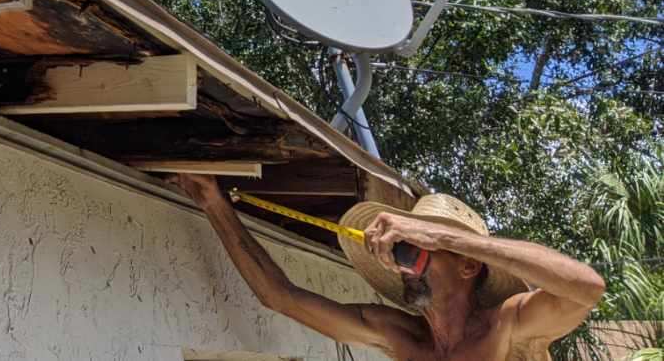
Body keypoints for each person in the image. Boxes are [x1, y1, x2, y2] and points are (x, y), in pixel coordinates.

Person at [177, 174, 605, 360]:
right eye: (405, 249)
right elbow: (281, 298)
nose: (406, 262)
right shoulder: (398, 334)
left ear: (468, 266)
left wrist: (443, 237)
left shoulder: (509, 327)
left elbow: (586, 288)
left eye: (418, 250)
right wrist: (215, 205)